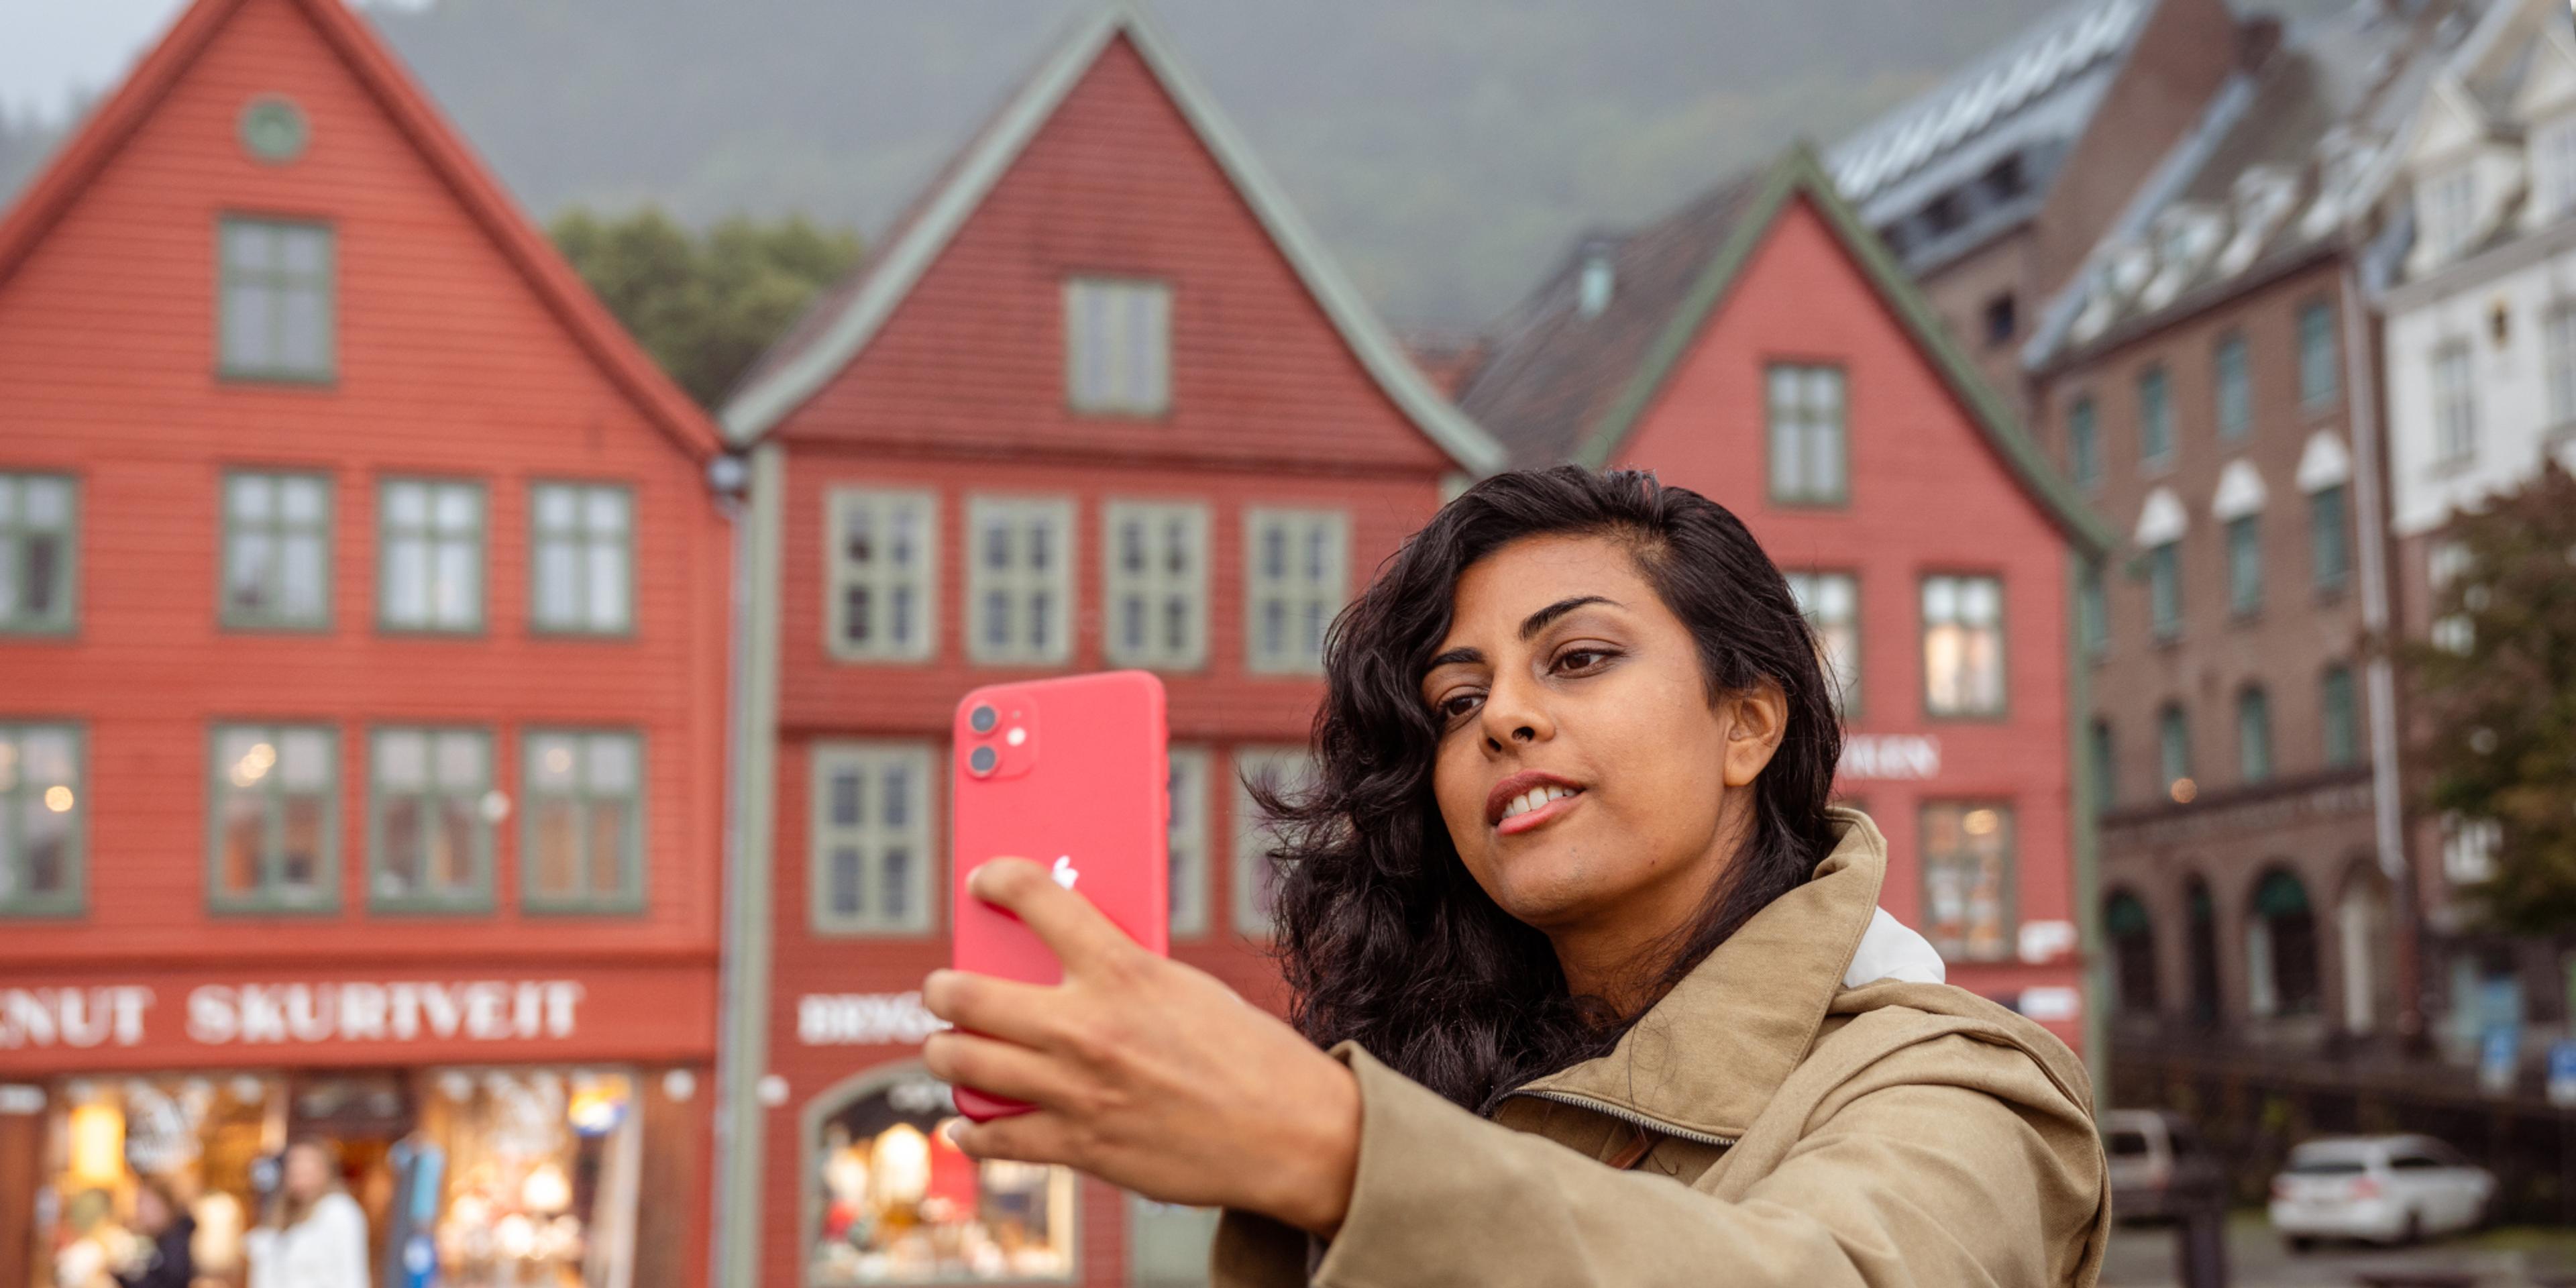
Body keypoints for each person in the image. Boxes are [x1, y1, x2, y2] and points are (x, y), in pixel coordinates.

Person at [920, 467, 2110, 1287]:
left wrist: (1334, 1149)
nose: (1506, 721)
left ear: (1747, 724)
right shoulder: (1448, 1080)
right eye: (1458, 701)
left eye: (1579, 658)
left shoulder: (1955, 1085)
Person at [245, 1138, 370, 1288]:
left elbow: (353, 1273)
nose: (299, 1170)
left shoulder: (339, 1210)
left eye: (307, 1165)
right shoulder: (282, 1213)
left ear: (325, 1170)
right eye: (294, 1164)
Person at [110, 1178, 196, 1288]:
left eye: (143, 1203)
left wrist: (119, 1277)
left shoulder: (177, 1242)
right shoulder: (165, 1238)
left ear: (164, 1203)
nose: (138, 1211)